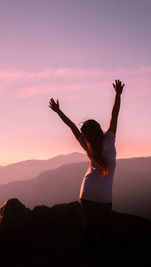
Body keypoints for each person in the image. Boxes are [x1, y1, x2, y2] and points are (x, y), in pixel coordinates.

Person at [49, 79, 124, 253]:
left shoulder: (87, 145)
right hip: (104, 196)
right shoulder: (109, 140)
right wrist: (118, 94)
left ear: (87, 135)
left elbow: (72, 126)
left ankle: (89, 257)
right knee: (104, 232)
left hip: (87, 192)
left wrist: (58, 111)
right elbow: (115, 115)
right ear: (99, 129)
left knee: (89, 231)